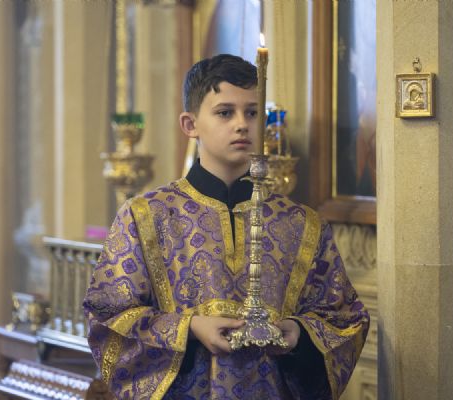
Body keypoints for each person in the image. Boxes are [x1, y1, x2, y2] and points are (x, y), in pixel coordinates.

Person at [83, 54, 369, 400]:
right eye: (224, 112)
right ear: (190, 124)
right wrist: (189, 328)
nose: (242, 125)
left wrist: (298, 332)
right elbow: (107, 316)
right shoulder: (145, 216)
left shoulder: (301, 223)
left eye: (253, 113)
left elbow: (344, 319)